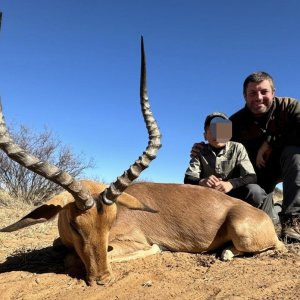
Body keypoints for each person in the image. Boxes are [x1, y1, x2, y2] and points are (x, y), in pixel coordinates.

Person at [192, 71, 300, 243]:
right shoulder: (234, 122)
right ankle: (276, 211)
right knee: (264, 216)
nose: (258, 97)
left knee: (295, 153)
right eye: (252, 93)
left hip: (287, 165)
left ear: (273, 92)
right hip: (256, 175)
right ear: (244, 96)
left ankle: (292, 220)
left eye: (264, 92)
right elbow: (217, 143)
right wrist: (201, 149)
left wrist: (271, 142)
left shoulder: (290, 106)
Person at [185, 112, 279, 224]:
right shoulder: (199, 150)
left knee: (255, 193)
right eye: (212, 130)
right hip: (210, 197)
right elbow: (188, 178)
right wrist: (202, 181)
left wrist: (231, 184)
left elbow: (251, 177)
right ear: (205, 135)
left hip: (234, 196)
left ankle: (277, 208)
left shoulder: (238, 148)